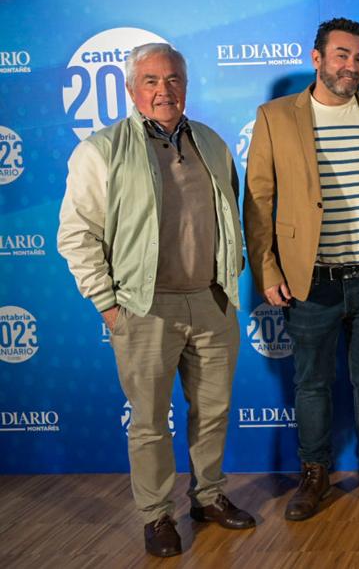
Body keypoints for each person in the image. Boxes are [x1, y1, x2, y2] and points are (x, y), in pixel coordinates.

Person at [58, 43, 254, 558]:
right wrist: (108, 304)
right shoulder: (101, 150)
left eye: (173, 80)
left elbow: (231, 214)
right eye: (150, 80)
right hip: (144, 308)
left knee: (212, 412)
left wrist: (230, 280)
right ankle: (156, 514)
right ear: (130, 89)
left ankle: (208, 497)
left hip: (211, 301)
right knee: (148, 421)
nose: (163, 90)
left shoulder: (211, 142)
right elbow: (77, 234)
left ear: (186, 86)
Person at [243, 18, 359, 519]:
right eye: (341, 55)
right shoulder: (276, 116)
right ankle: (313, 475)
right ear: (316, 58)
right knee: (311, 383)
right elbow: (257, 201)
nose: (351, 66)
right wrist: (267, 270)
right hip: (308, 280)